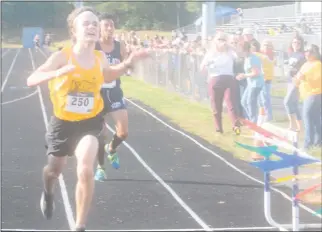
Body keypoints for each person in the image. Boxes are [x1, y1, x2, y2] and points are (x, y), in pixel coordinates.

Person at [26, 7, 148, 231]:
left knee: (85, 169)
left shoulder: (99, 56)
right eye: (86, 23)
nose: (92, 27)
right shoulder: (62, 56)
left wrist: (129, 62)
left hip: (90, 123)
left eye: (95, 23)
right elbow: (32, 79)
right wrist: (56, 73)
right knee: (53, 171)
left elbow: (108, 74)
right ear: (74, 30)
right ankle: (48, 192)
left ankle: (79, 226)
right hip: (62, 124)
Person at [94, 14, 128, 181]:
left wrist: (129, 65)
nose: (109, 28)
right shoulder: (94, 46)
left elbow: (127, 64)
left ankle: (112, 149)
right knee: (100, 134)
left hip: (114, 92)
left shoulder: (119, 46)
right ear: (100, 28)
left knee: (123, 132)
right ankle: (100, 167)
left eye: (112, 25)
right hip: (97, 94)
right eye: (106, 25)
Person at [200, 32, 240, 134]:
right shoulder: (211, 53)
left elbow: (239, 55)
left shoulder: (230, 52)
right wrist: (208, 65)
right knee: (216, 106)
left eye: (224, 40)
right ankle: (218, 128)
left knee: (230, 101)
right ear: (215, 41)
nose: (222, 42)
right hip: (215, 79)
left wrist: (231, 46)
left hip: (228, 79)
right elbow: (202, 67)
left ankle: (235, 125)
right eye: (219, 40)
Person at [293, 44, 321, 150]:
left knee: (307, 118)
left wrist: (303, 77)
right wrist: (297, 78)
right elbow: (298, 78)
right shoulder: (305, 64)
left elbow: (318, 79)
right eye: (305, 51)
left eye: (309, 51)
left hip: (314, 94)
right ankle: (318, 143)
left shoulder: (317, 64)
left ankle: (308, 144)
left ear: (315, 53)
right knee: (315, 119)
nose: (306, 53)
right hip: (307, 95)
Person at [283, 34, 306, 132]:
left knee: (287, 102)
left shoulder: (302, 55)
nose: (296, 44)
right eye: (294, 42)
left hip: (296, 81)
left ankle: (292, 125)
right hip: (289, 81)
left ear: (301, 44)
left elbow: (301, 69)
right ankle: (300, 128)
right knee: (294, 104)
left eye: (298, 43)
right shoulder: (291, 54)